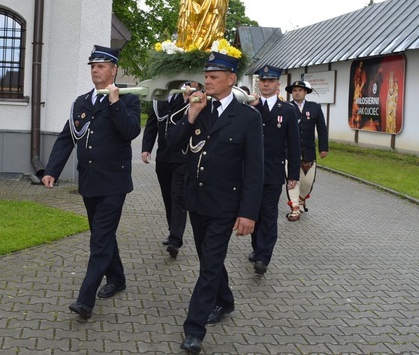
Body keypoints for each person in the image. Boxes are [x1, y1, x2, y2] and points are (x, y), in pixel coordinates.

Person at [167, 51, 264, 355]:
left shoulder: (248, 117)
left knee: (208, 266)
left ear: (231, 79)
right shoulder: (199, 109)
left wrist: (248, 213)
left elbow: (254, 169)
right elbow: (171, 145)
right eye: (206, 76)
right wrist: (191, 116)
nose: (206, 81)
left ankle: (194, 329)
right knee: (209, 260)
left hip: (226, 205)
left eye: (213, 77)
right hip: (197, 202)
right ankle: (226, 300)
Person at [42, 45, 141, 320]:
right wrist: (52, 170)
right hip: (89, 182)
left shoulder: (127, 99)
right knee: (104, 235)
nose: (95, 70)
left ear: (113, 70)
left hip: (114, 183)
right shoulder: (82, 101)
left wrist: (115, 102)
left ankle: (85, 300)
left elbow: (130, 131)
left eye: (101, 66)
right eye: (93, 66)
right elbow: (66, 137)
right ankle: (117, 278)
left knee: (99, 241)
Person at [248, 65, 301, 275]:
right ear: (258, 83)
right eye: (263, 81)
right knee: (254, 212)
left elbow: (294, 144)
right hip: (250, 171)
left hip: (272, 172)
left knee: (269, 214)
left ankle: (263, 256)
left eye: (270, 81)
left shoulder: (287, 110)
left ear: (278, 85)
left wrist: (294, 175)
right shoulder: (250, 107)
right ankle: (256, 248)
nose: (266, 84)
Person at [141, 82, 196, 259]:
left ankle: (175, 239)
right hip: (163, 156)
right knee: (167, 197)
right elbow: (151, 124)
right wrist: (146, 148)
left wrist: (187, 100)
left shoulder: (189, 96)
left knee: (178, 196)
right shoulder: (160, 97)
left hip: (182, 156)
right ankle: (172, 230)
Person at [285, 80, 329, 221]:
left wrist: (324, 147)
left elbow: (322, 129)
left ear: (305, 92)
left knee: (307, 182)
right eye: (294, 90)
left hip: (308, 151)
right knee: (293, 180)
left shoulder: (314, 108)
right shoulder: (286, 107)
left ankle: (301, 199)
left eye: (300, 90)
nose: (297, 92)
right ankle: (295, 208)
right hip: (289, 152)